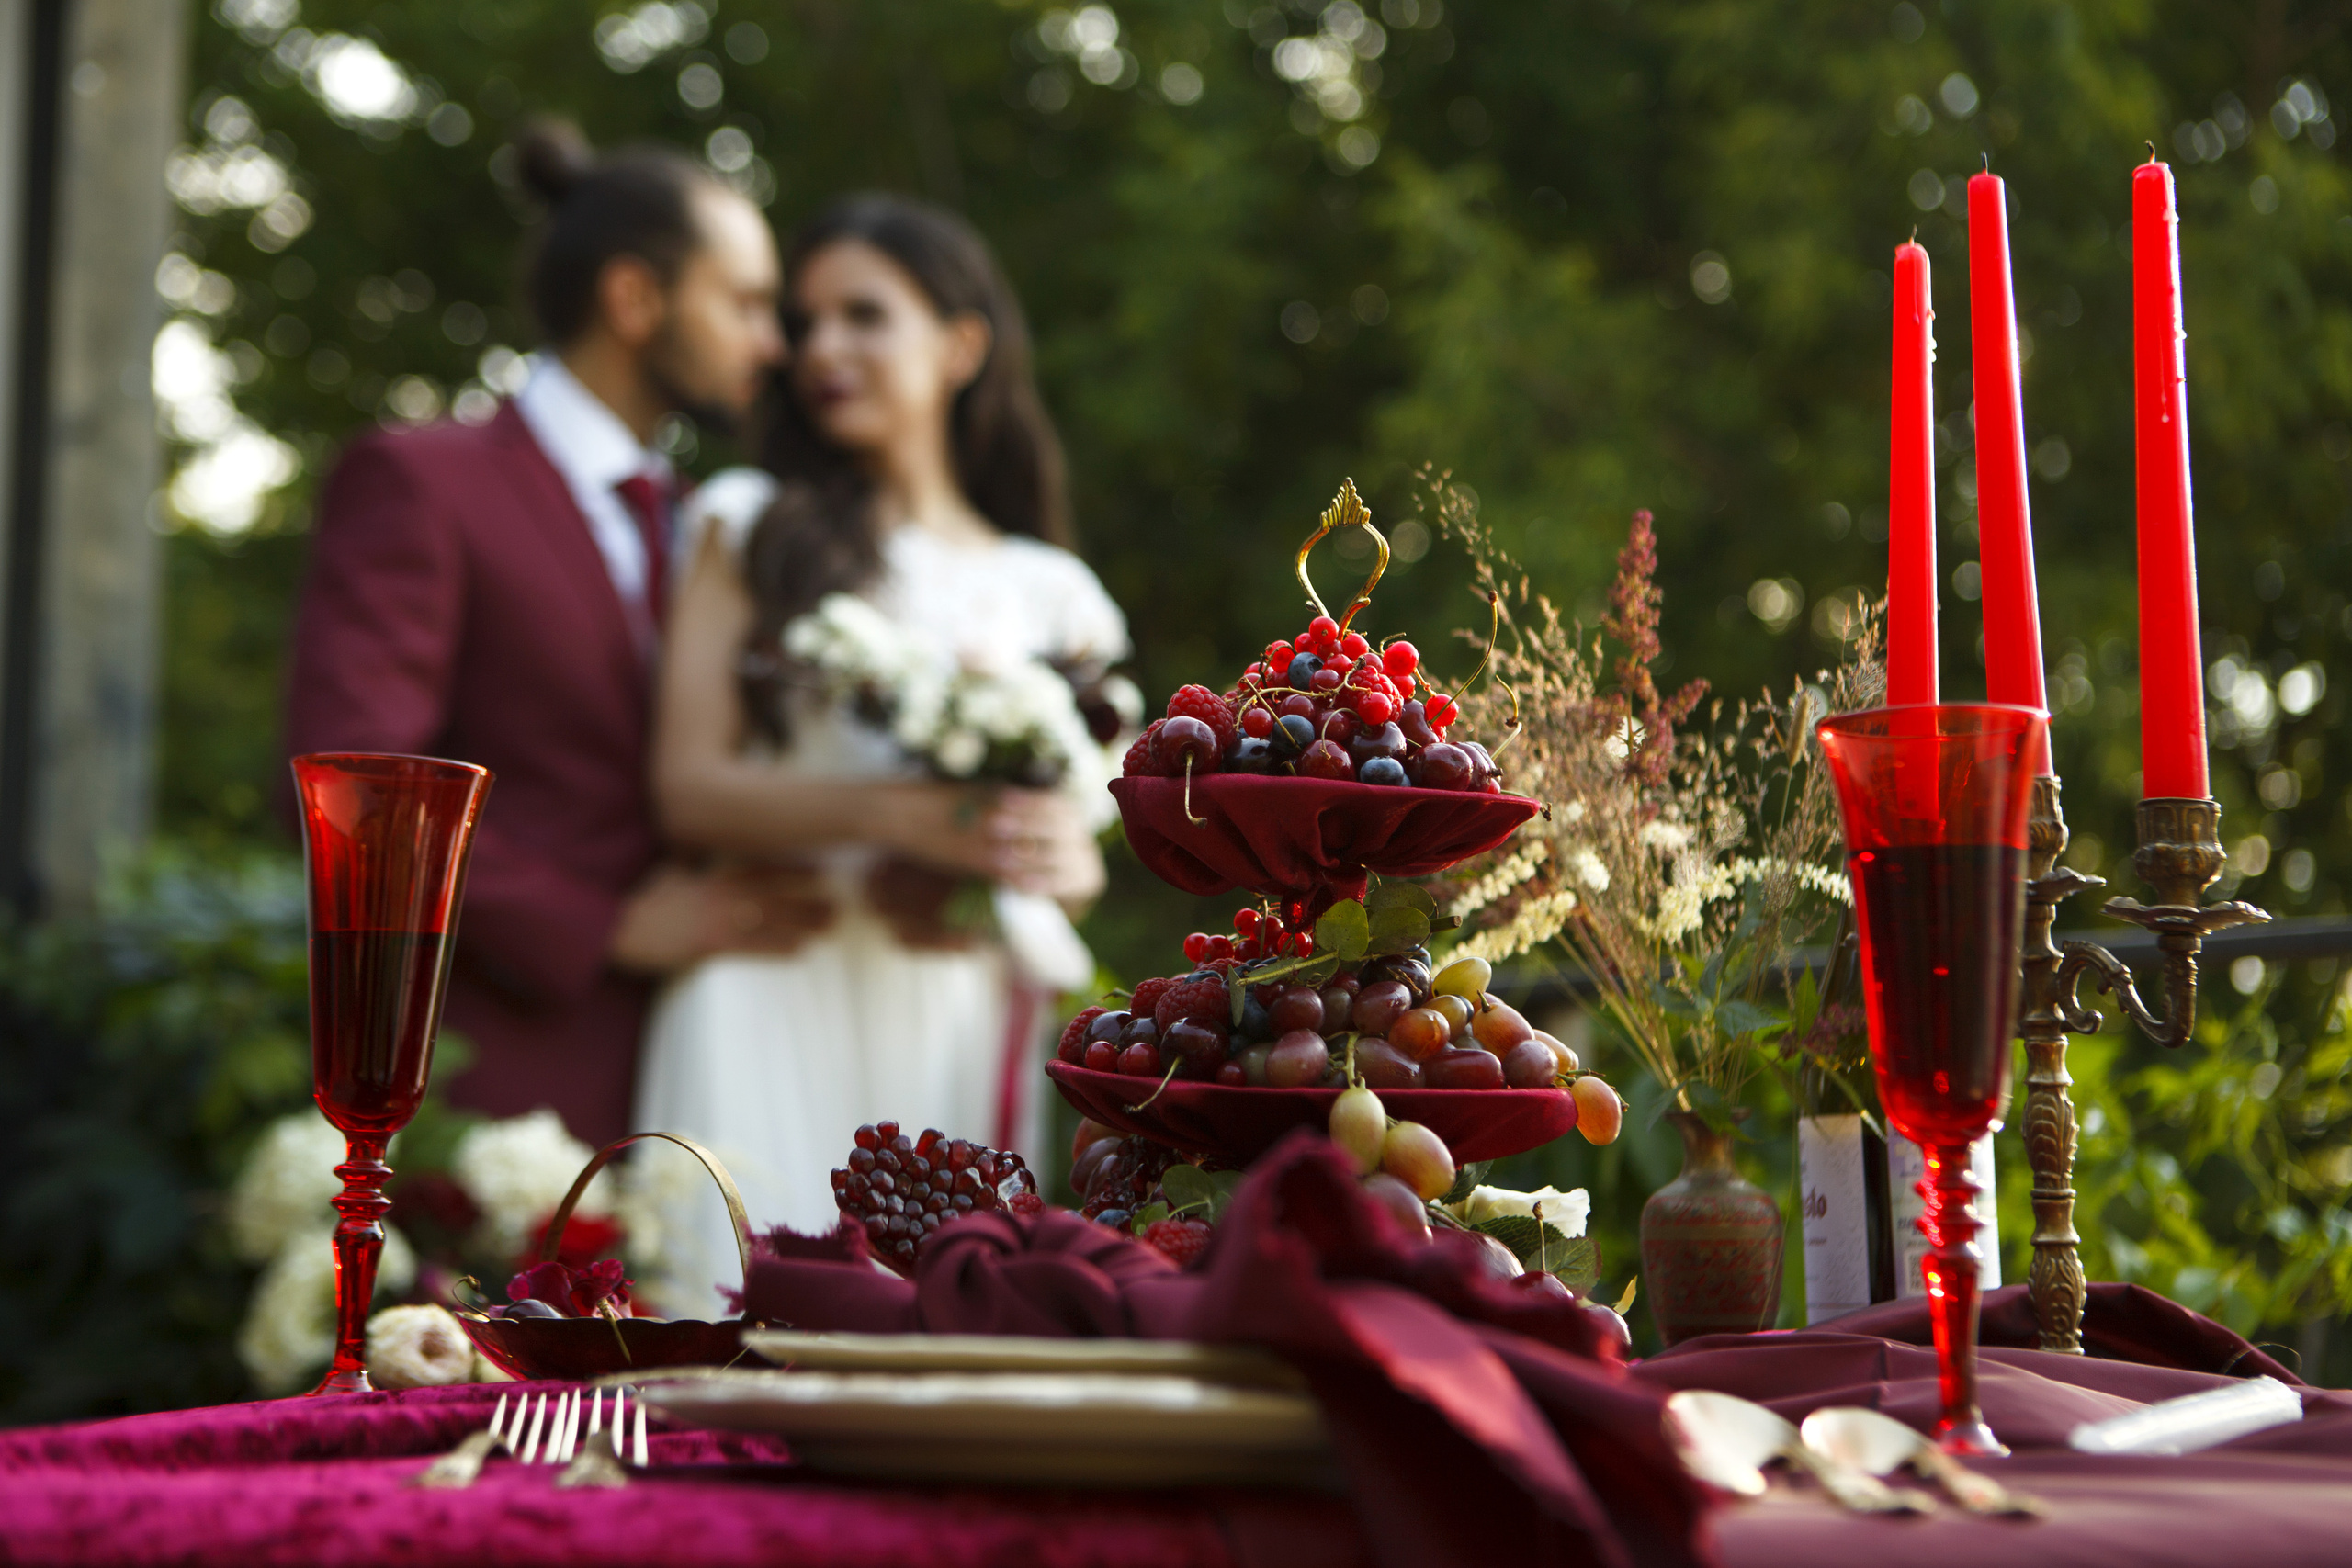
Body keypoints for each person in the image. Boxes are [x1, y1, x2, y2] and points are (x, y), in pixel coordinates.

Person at [285, 122, 826, 1147]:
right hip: (507, 1084)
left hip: (723, 1076)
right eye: (745, 302)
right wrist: (604, 926)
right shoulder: (422, 484)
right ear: (634, 299)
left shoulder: (718, 522)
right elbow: (355, 794)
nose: (773, 344)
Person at [638, 195, 1126, 1309]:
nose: (822, 350)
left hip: (950, 1007)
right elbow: (687, 789)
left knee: (939, 1344)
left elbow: (1079, 845)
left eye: (865, 316)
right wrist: (891, 817)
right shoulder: (748, 521)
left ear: (961, 344)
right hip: (766, 984)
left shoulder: (1054, 595)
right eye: (806, 323)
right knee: (722, 1329)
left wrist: (1066, 861)